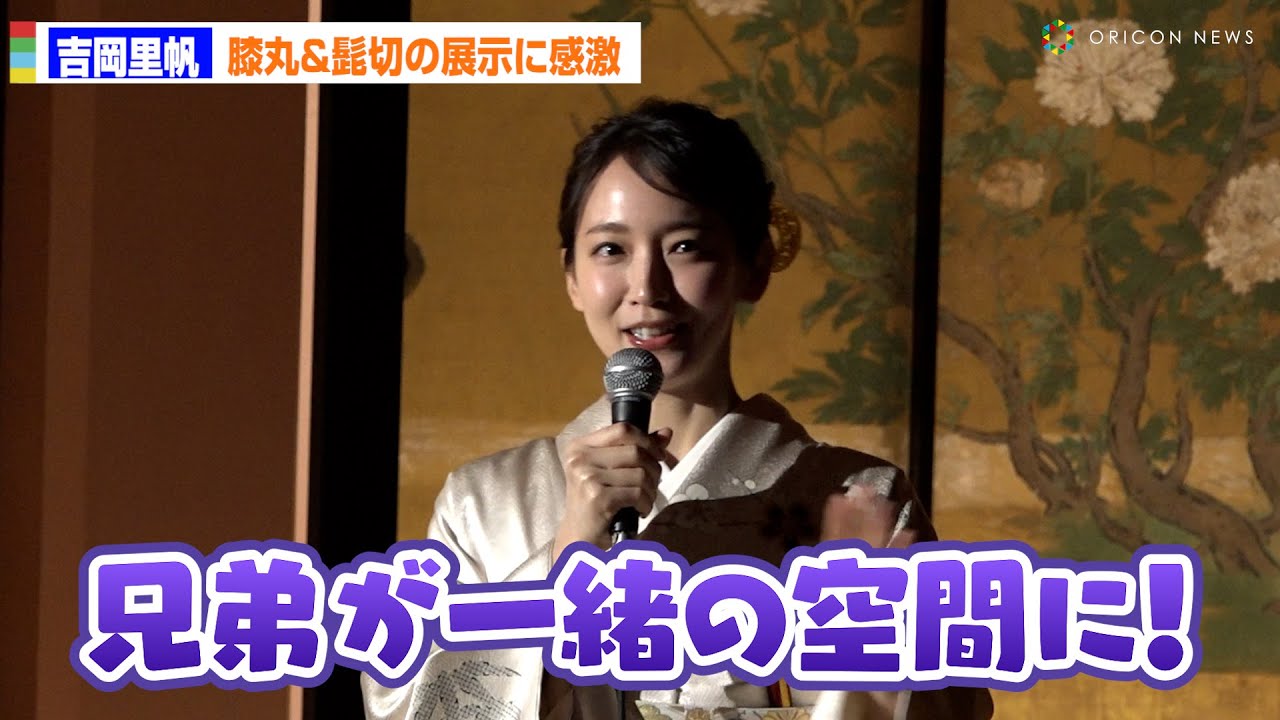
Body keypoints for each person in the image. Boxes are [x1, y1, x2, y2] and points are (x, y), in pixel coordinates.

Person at [363, 98, 994, 720]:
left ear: (754, 265)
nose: (647, 289)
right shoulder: (486, 502)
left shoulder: (858, 497)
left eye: (686, 246)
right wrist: (568, 557)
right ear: (572, 276)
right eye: (610, 250)